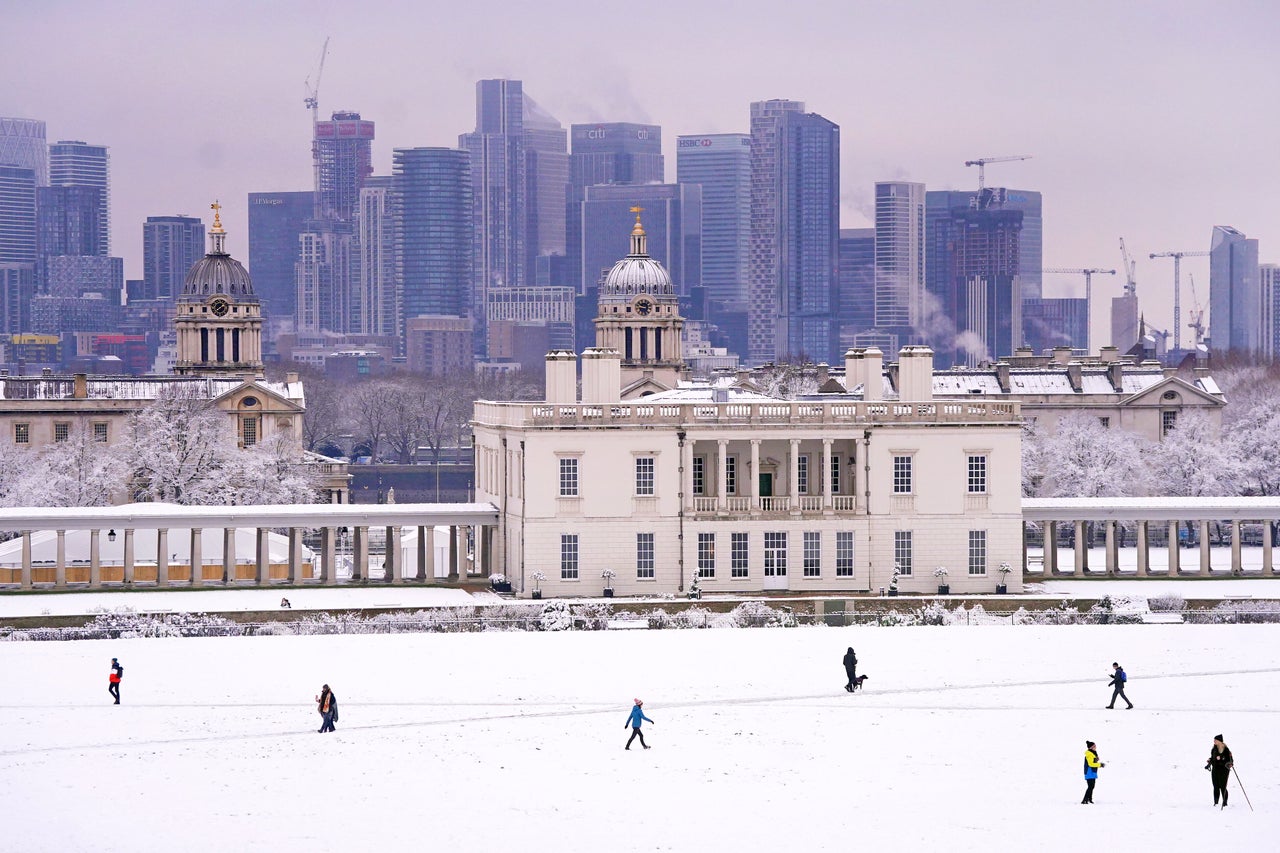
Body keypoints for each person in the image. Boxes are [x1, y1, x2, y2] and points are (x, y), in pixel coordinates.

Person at [1206, 734, 1234, 807]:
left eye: (1215, 740)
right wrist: (1210, 760)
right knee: (1215, 786)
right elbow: (1213, 758)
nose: (1214, 741)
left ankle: (1224, 803)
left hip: (1223, 771)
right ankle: (1216, 802)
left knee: (1223, 786)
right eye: (1214, 740)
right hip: (1215, 770)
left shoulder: (1226, 750)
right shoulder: (1214, 749)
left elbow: (1230, 761)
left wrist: (1225, 762)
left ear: (1219, 741)